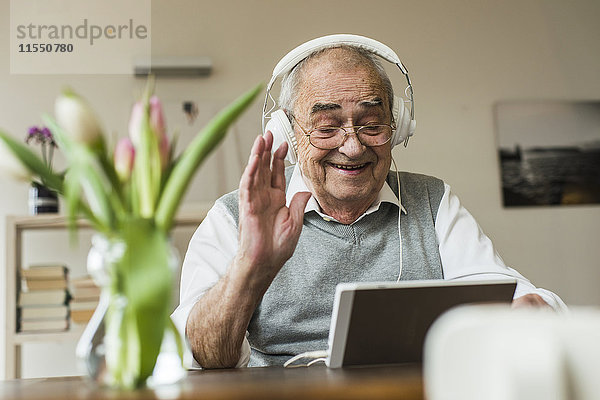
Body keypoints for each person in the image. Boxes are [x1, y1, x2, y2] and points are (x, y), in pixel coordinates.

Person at [171, 35, 566, 369]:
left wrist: (532, 309)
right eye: (327, 127)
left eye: (372, 125)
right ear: (289, 135)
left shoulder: (433, 200)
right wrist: (252, 265)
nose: (353, 145)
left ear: (398, 129)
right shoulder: (234, 215)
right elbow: (200, 355)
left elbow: (510, 294)